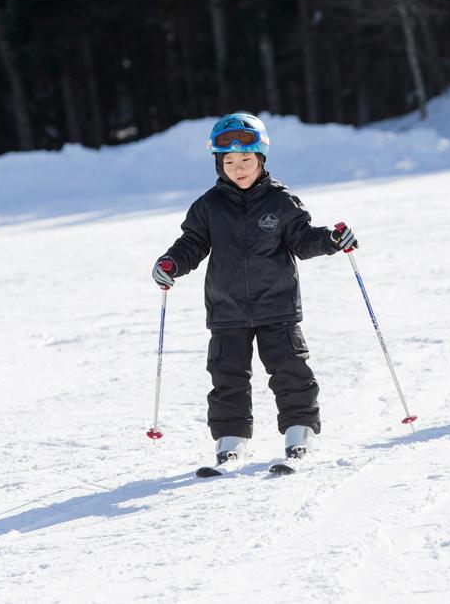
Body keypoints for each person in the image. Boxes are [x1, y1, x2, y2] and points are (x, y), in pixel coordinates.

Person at [152, 112, 358, 473]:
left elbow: (303, 239)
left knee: (290, 371)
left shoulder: (281, 202)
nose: (238, 167)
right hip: (227, 309)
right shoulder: (209, 206)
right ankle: (230, 445)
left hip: (276, 306)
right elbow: (192, 243)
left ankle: (300, 436)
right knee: (226, 377)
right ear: (218, 163)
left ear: (261, 158)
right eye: (229, 161)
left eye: (246, 160)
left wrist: (330, 239)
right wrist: (171, 263)